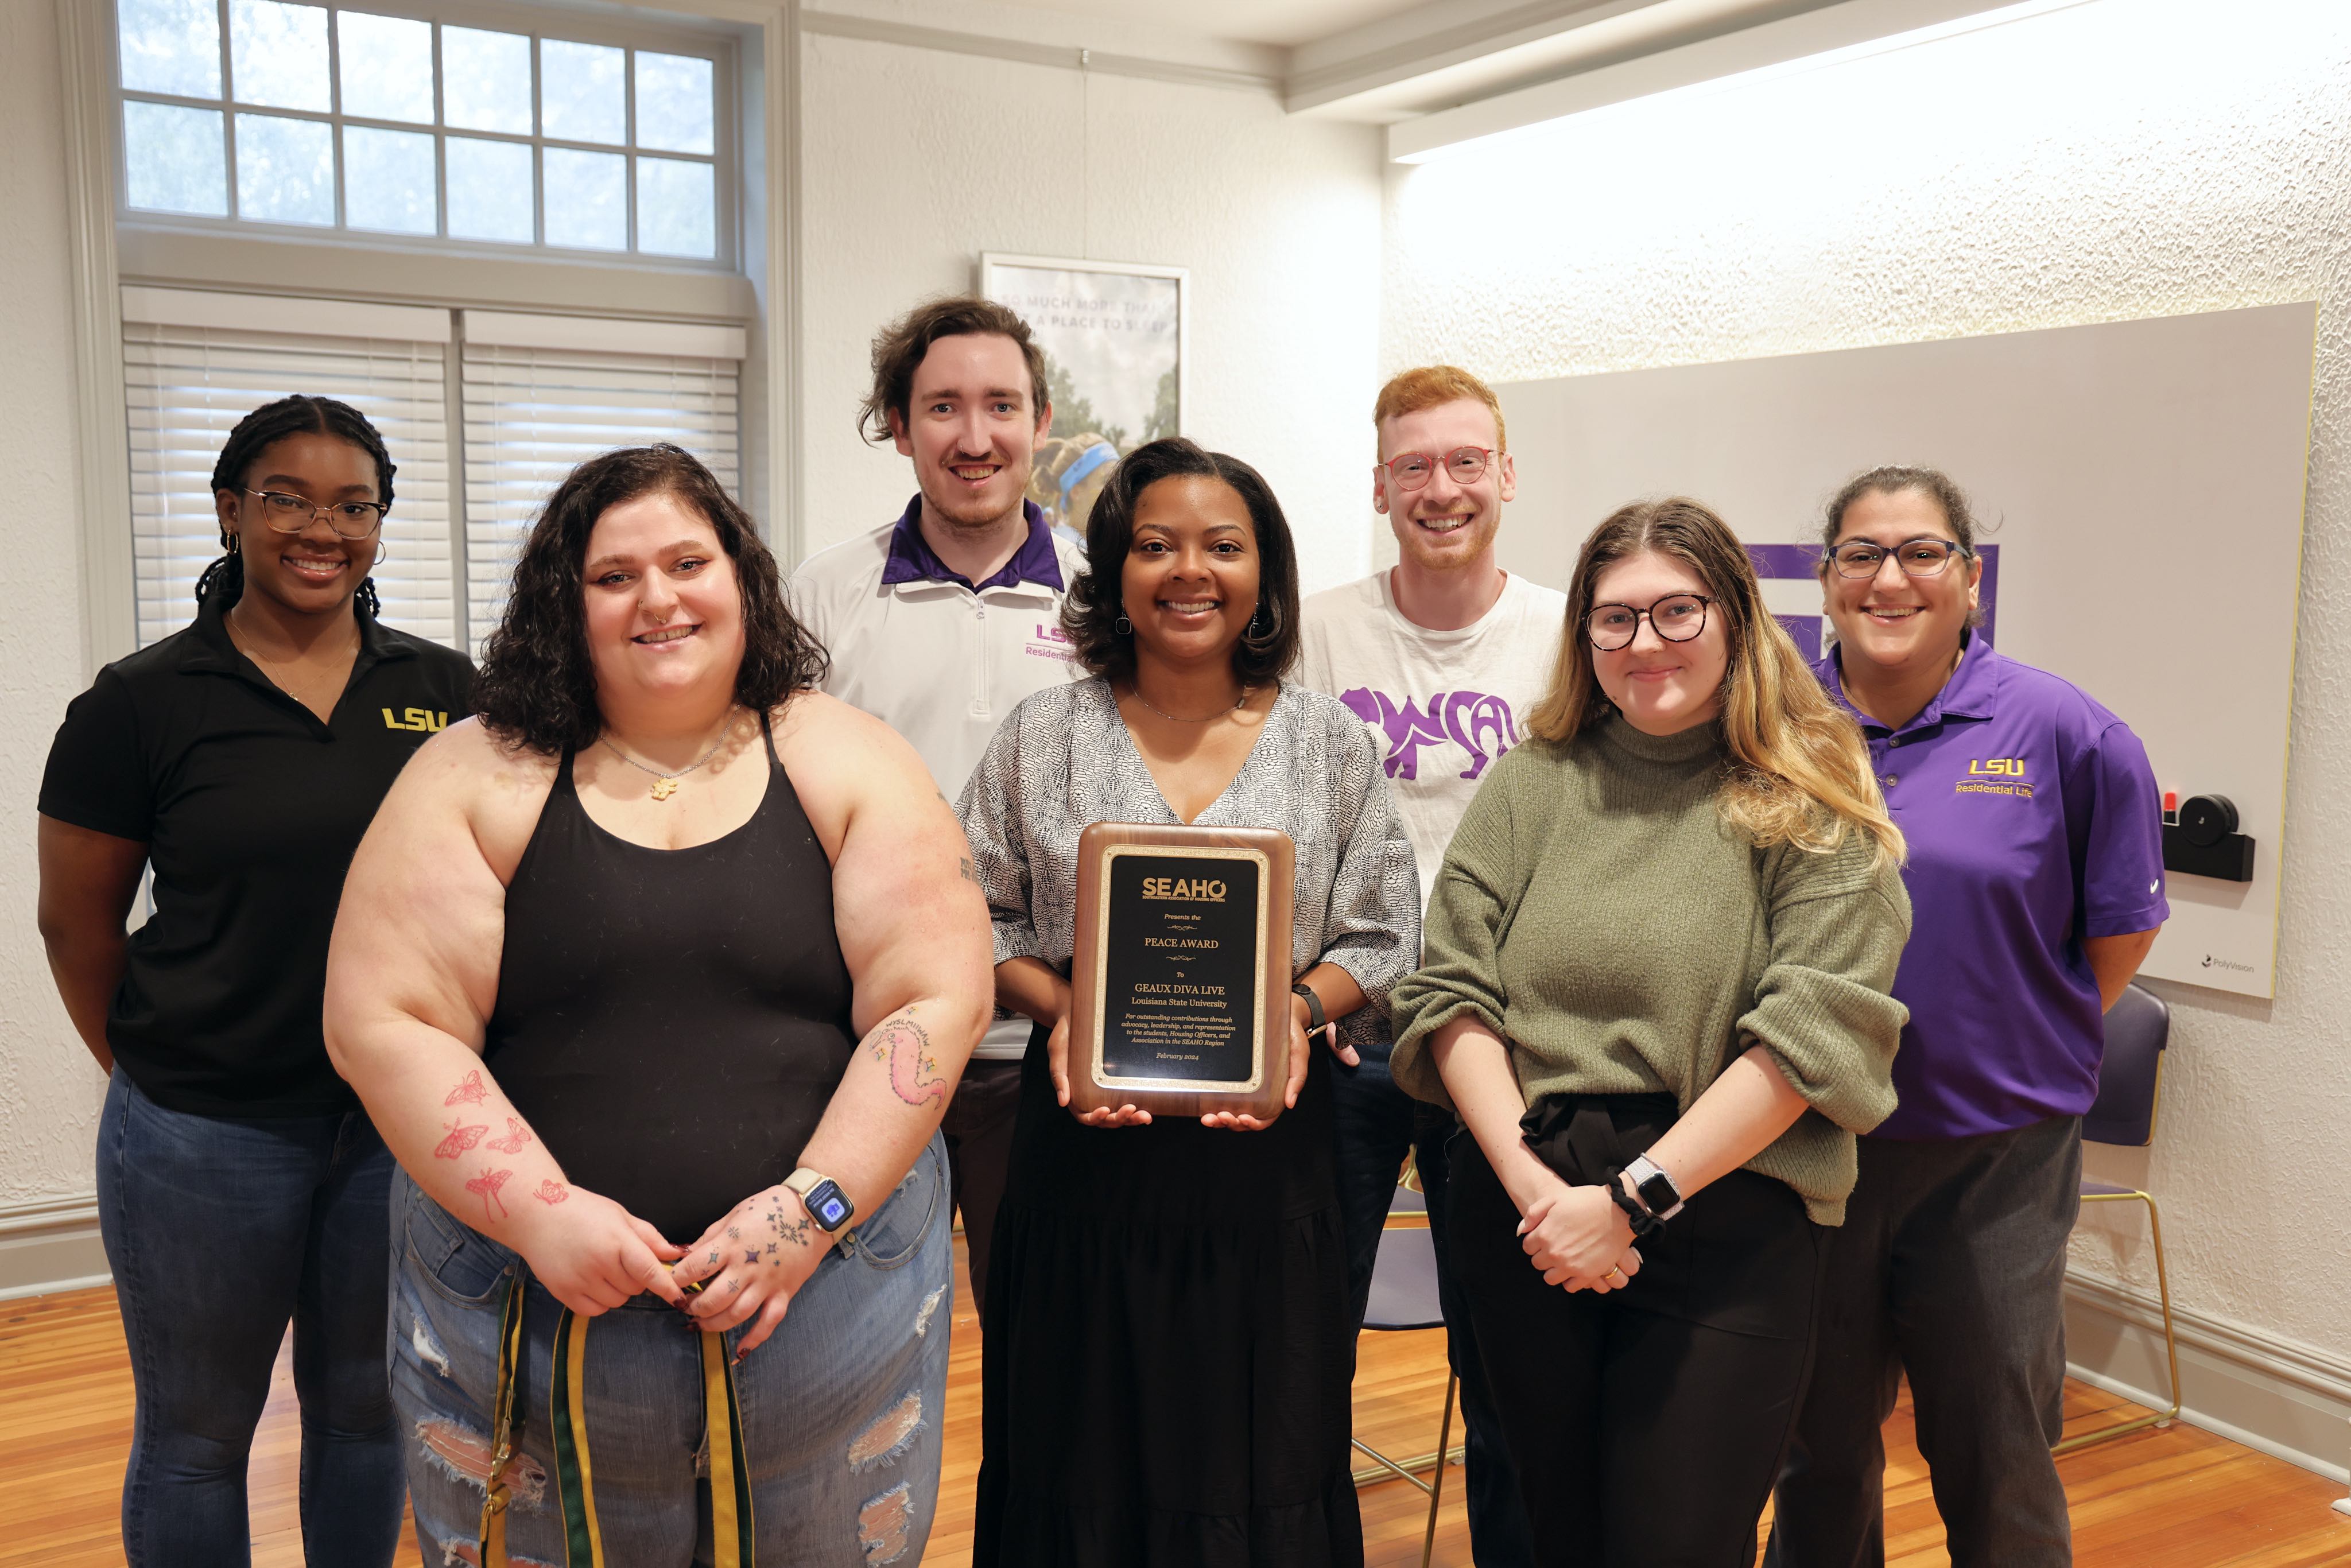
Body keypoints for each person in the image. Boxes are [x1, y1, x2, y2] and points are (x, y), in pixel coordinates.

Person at [321, 444, 994, 1566]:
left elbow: (933, 997)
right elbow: (386, 1020)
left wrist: (808, 1210)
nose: (660, 599)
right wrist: (538, 1209)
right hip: (530, 1308)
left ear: (740, 577)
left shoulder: (843, 752)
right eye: (614, 575)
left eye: (688, 561)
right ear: (563, 602)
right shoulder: (471, 772)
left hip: (825, 1303)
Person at [1390, 496, 1914, 1567]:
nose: (1645, 644)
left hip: (1727, 1206)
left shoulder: (1809, 794)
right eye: (1614, 619)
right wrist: (1538, 1193)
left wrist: (1633, 1203)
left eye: (1677, 613)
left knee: (1676, 1540)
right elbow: (1450, 992)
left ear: (1734, 618)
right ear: (1584, 636)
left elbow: (1811, 1036)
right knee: (1552, 1531)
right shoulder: (1536, 782)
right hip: (1527, 1198)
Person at [958, 437, 1419, 1566]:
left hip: (1264, 1161)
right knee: (1077, 1442)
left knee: (1255, 1443)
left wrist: (1293, 1016)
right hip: (1080, 1155)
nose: (1187, 571)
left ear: (1263, 574)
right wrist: (1065, 1015)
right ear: (1113, 568)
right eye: (1154, 545)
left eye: (1222, 545)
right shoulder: (1042, 734)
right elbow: (970, 912)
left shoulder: (1327, 742)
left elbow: (1386, 931)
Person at [36, 394, 472, 1566]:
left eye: (353, 504)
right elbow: (76, 925)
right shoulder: (141, 701)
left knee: (368, 1408)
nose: (320, 527)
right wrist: (154, 1077)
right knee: (195, 1434)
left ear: (380, 525)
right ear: (230, 511)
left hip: (390, 1128)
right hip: (204, 1130)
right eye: (286, 497)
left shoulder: (444, 692)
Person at [1764, 467, 2167, 1568]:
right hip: (1810, 1146)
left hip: (1993, 1162)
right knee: (1818, 1449)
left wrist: (2015, 1032)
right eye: (1861, 554)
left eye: (1922, 551)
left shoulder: (2069, 733)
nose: (1890, 577)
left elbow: (2120, 931)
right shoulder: (1775, 728)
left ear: (1970, 578)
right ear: (1828, 579)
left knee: (1996, 1447)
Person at [1298, 363, 1560, 1564]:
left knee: (1505, 1357)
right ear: (1377, 485)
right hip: (1341, 1034)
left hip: (1508, 1054)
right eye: (1413, 466)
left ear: (1505, 474)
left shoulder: (1566, 634)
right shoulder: (1313, 629)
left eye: (1464, 461)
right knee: (1301, 1343)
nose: (1440, 488)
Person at [790, 296, 1084, 1331]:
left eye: (1001, 405)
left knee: (1040, 1351)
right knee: (856, 1345)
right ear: (898, 424)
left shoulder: (1101, 600)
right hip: (865, 1042)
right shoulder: (823, 598)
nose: (974, 438)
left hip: (1042, 1049)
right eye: (942, 408)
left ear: (1040, 419)